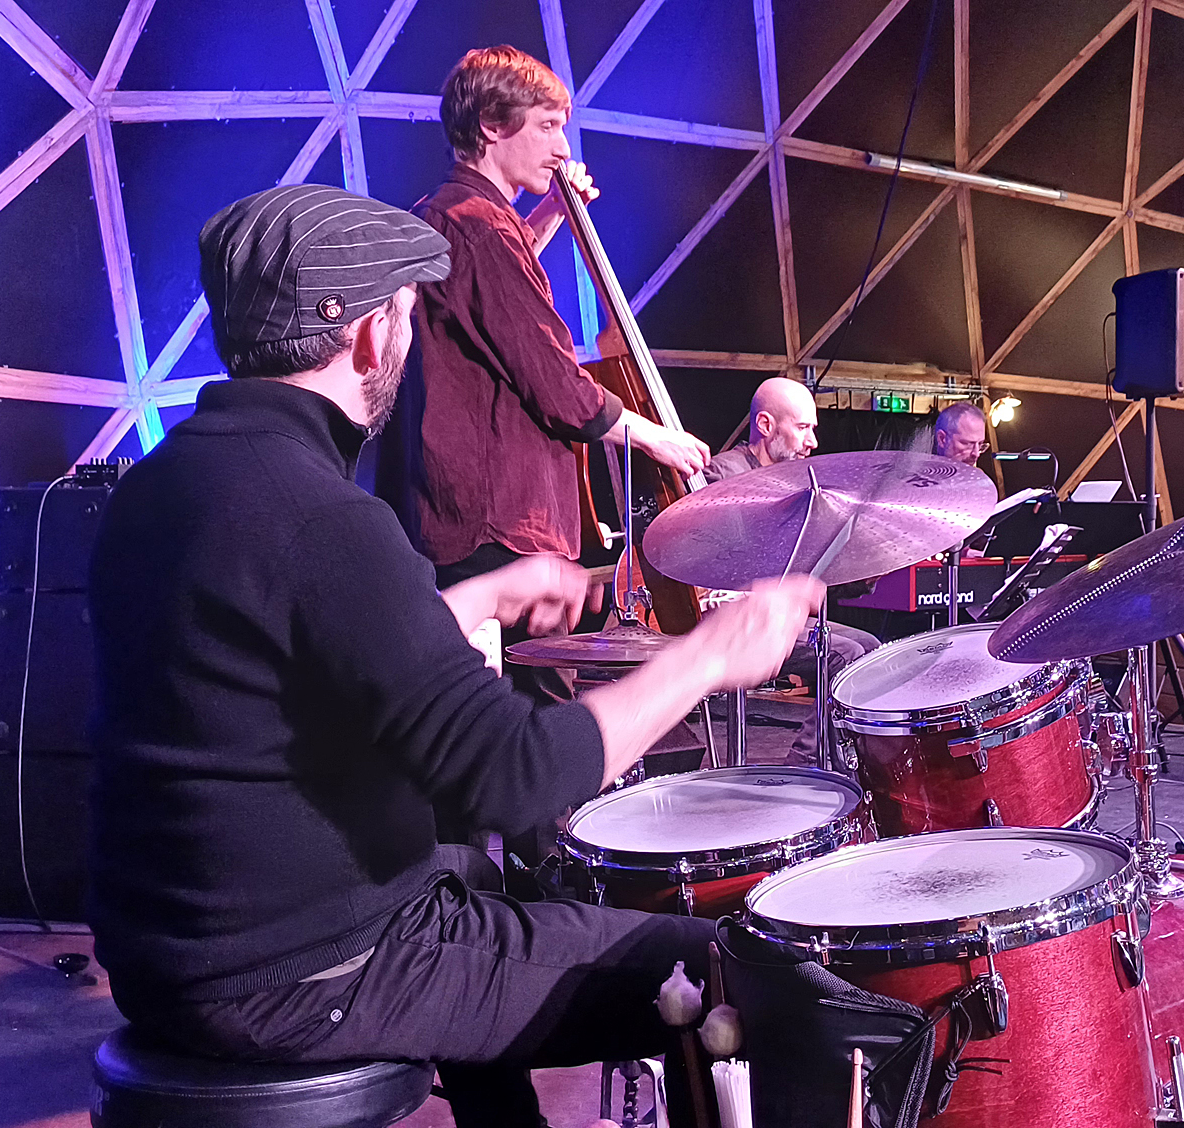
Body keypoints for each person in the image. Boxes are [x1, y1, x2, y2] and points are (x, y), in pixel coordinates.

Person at [88, 184, 822, 1128]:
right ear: (362, 338)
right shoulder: (328, 519)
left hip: (168, 953)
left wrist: (466, 601)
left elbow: (264, 671)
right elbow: (512, 779)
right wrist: (711, 654)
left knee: (474, 877)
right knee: (734, 970)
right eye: (405, 317)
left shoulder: (158, 490)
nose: (411, 342)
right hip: (306, 974)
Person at [379, 45, 709, 701]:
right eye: (547, 125)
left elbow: (490, 295)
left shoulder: (452, 215)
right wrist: (657, 438)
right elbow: (555, 383)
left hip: (465, 517)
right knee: (522, 731)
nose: (562, 146)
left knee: (492, 720)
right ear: (494, 126)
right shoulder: (476, 226)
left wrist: (553, 212)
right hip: (492, 525)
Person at [704, 377, 880, 766]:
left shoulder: (797, 481)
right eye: (803, 428)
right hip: (733, 616)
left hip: (774, 612)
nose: (813, 442)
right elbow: (720, 562)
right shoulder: (725, 476)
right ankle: (805, 765)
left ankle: (841, 762)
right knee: (846, 654)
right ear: (766, 426)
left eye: (812, 429)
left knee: (870, 650)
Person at [933, 400, 990, 466]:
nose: (976, 454)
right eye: (967, 443)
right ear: (942, 439)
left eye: (980, 444)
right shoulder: (922, 473)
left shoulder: (978, 475)